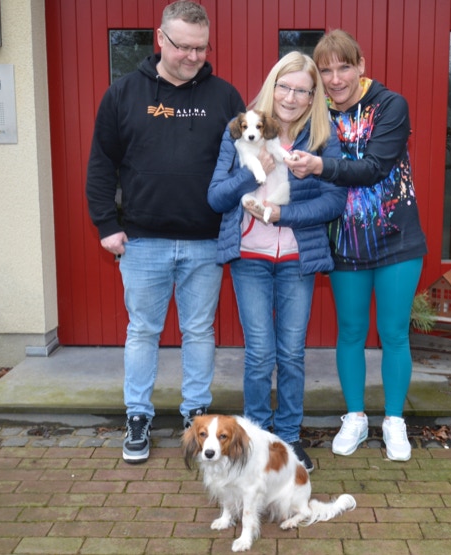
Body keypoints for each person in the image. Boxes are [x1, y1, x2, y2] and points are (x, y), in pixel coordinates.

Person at [85, 1, 245, 464]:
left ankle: (197, 418)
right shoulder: (123, 94)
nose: (193, 56)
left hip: (206, 242)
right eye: (183, 47)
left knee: (199, 331)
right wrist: (106, 224)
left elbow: (245, 162)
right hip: (142, 241)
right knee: (142, 331)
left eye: (201, 48)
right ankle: (138, 416)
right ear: (160, 39)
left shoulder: (224, 97)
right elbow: (101, 164)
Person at [286, 30, 428, 461]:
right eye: (325, 70)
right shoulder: (315, 111)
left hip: (396, 239)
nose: (335, 79)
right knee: (350, 331)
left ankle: (394, 421)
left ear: (361, 65)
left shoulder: (390, 105)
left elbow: (374, 167)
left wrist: (319, 165)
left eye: (344, 67)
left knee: (393, 332)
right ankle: (355, 417)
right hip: (343, 240)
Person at [208, 52, 347, 472]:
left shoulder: (321, 139)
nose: (291, 97)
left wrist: (283, 215)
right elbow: (216, 197)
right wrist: (255, 172)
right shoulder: (240, 129)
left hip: (296, 260)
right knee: (258, 354)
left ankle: (287, 438)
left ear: (313, 96)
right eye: (284, 86)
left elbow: (334, 202)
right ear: (272, 85)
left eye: (302, 90)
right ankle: (254, 438)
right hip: (250, 258)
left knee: (291, 354)